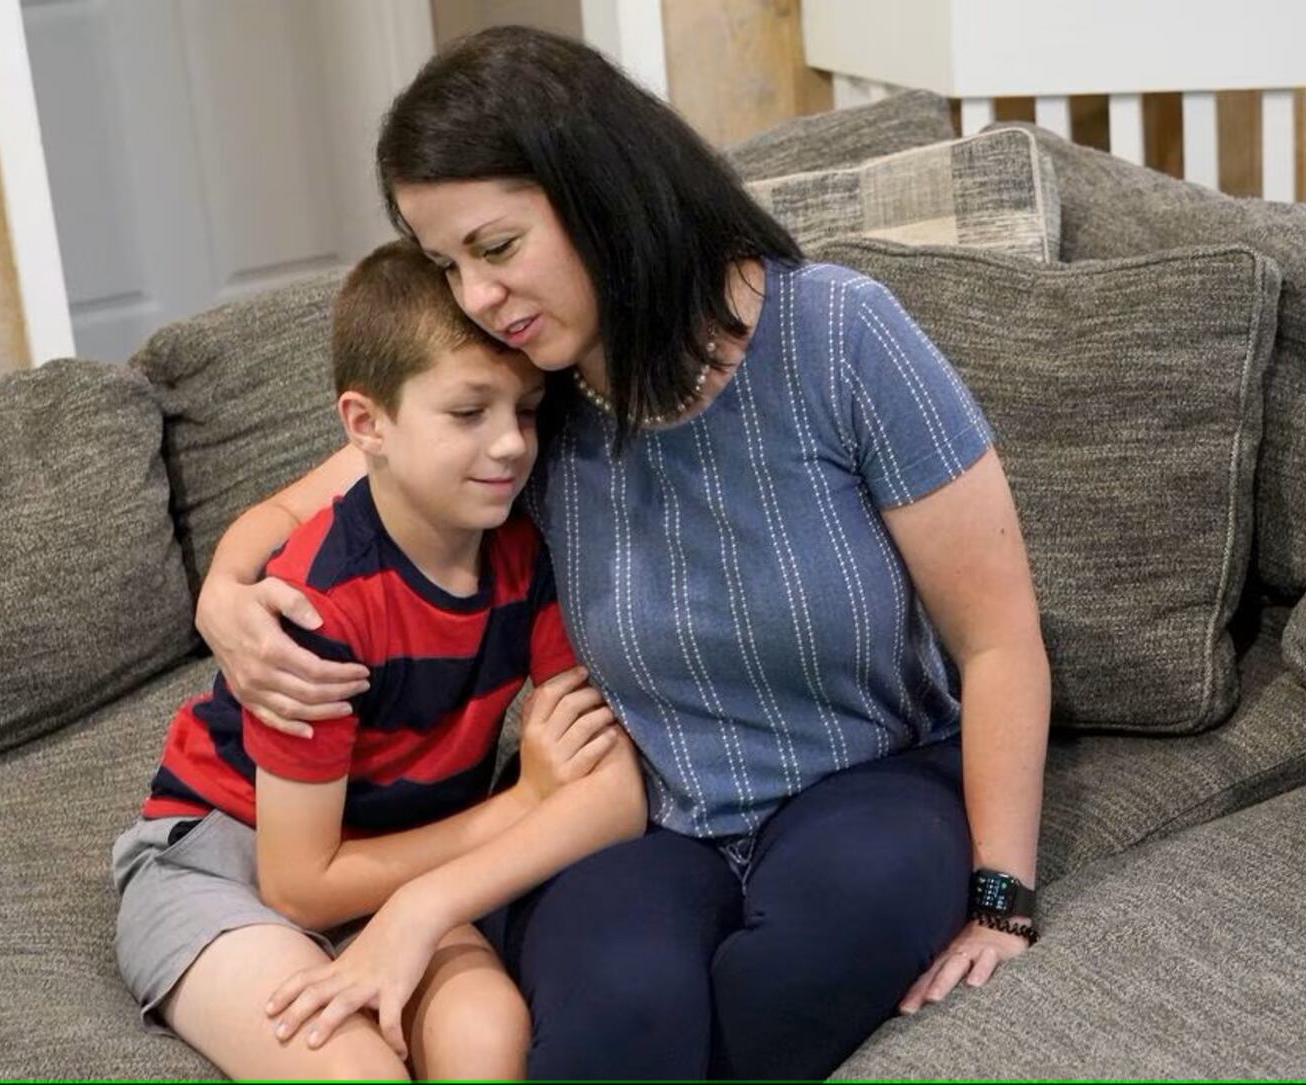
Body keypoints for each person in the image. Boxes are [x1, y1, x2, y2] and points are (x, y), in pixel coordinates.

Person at [195, 26, 1051, 1081]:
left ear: (596, 189)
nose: (475, 298)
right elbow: (302, 505)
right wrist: (225, 595)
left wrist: (1002, 896)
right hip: (647, 813)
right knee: (609, 1034)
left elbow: (998, 637)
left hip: (870, 778)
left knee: (796, 977)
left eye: (495, 248)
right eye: (445, 265)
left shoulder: (838, 335)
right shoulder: (523, 405)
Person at [111, 239, 646, 1080]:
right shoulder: (318, 607)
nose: (510, 445)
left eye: (528, 410)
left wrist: (528, 812)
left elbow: (612, 794)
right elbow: (297, 884)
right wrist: (525, 803)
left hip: (391, 850)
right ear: (368, 426)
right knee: (352, 1071)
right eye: (469, 413)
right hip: (222, 864)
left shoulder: (529, 550)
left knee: (489, 1035)